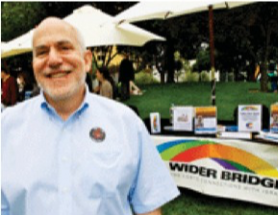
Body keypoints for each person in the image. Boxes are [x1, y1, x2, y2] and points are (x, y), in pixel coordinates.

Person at [1, 17, 180, 215]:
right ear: (34, 65)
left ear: (86, 61)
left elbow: (149, 207)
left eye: (64, 48)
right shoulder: (6, 127)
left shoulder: (125, 123)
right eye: (42, 52)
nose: (53, 60)